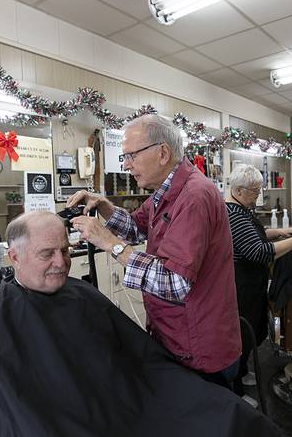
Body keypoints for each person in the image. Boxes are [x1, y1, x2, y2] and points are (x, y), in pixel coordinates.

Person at [0, 212, 281, 437]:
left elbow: (136, 356)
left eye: (65, 251)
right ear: (14, 256)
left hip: (121, 407)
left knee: (227, 414)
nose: (61, 262)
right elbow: (7, 414)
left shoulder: (80, 295)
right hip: (66, 431)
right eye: (47, 254)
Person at [67, 114, 241, 388]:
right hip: (174, 335)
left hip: (198, 345)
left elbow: (174, 282)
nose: (126, 165)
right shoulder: (168, 192)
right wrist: (104, 206)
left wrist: (111, 243)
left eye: (131, 156)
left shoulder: (193, 197)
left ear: (162, 153)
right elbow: (137, 228)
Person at [225, 164, 292, 394]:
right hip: (242, 286)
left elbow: (255, 236)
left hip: (251, 283)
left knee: (250, 331)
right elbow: (259, 252)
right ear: (239, 190)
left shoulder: (240, 210)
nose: (257, 196)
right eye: (254, 191)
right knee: (242, 336)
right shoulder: (234, 216)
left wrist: (280, 232)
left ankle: (243, 373)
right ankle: (236, 390)